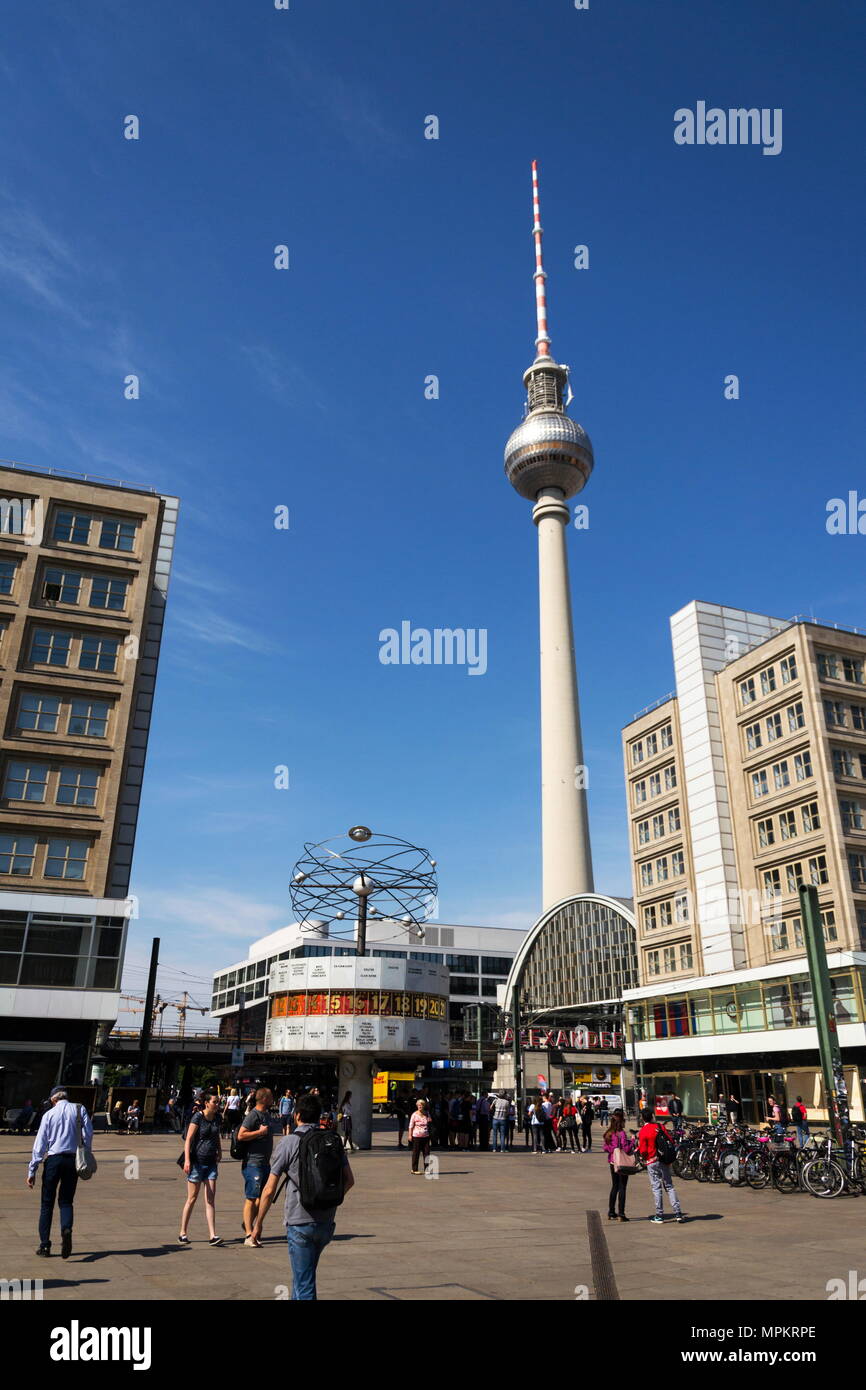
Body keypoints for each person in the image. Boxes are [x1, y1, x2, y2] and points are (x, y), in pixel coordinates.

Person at [252, 1092, 354, 1300]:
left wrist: (258, 1223)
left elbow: (269, 1189)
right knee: (302, 1278)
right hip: (326, 1221)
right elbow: (350, 1180)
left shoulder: (288, 1142)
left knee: (304, 1284)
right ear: (318, 1116)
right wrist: (327, 1200)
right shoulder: (331, 1140)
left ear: (297, 1115)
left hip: (300, 1221)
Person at [27, 1085, 92, 1259]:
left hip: (53, 1161)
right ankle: (66, 1228)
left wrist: (32, 1170)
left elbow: (39, 1145)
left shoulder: (49, 1115)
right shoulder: (79, 1109)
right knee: (66, 1201)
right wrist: (85, 1154)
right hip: (72, 1160)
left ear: (54, 1099)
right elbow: (88, 1134)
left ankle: (45, 1246)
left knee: (46, 1204)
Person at [178, 1091, 223, 1246]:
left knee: (210, 1199)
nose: (217, 1105)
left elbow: (216, 1136)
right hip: (197, 1162)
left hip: (211, 1163)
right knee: (192, 1198)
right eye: (215, 1102)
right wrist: (187, 1161)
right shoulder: (198, 1116)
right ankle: (182, 1232)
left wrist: (220, 1150)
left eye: (218, 1102)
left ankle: (212, 1235)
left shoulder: (217, 1118)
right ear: (207, 1103)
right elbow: (189, 1138)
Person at [236, 1086, 274, 1246]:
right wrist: (259, 1132)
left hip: (265, 1163)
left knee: (262, 1198)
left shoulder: (266, 1114)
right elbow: (241, 1134)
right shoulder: (253, 1115)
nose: (273, 1099)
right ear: (264, 1099)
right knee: (252, 1198)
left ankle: (248, 1223)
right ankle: (248, 1235)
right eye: (271, 1097)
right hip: (253, 1163)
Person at [638, 1108, 685, 1224]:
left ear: (643, 1118)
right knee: (669, 1186)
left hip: (652, 1161)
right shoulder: (659, 1127)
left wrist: (643, 1158)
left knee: (656, 1187)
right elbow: (670, 1141)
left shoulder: (643, 1130)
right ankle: (678, 1212)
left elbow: (643, 1150)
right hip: (664, 1160)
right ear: (652, 1116)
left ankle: (659, 1214)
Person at [603, 1112, 636, 1221]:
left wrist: (613, 1150)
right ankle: (621, 1214)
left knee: (614, 1186)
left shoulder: (609, 1133)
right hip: (621, 1163)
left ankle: (611, 1212)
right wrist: (632, 1140)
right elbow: (626, 1149)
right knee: (622, 1187)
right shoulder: (621, 1133)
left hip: (612, 1162)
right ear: (620, 1122)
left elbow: (605, 1147)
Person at [408, 1099, 433, 1174]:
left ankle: (427, 1169)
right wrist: (410, 1135)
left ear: (424, 1106)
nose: (420, 1106)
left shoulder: (427, 1113)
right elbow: (411, 1126)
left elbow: (430, 1122)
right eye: (418, 1105)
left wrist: (430, 1120)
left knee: (427, 1153)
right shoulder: (414, 1114)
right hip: (416, 1136)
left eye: (421, 1105)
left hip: (426, 1136)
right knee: (416, 1153)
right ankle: (414, 1169)